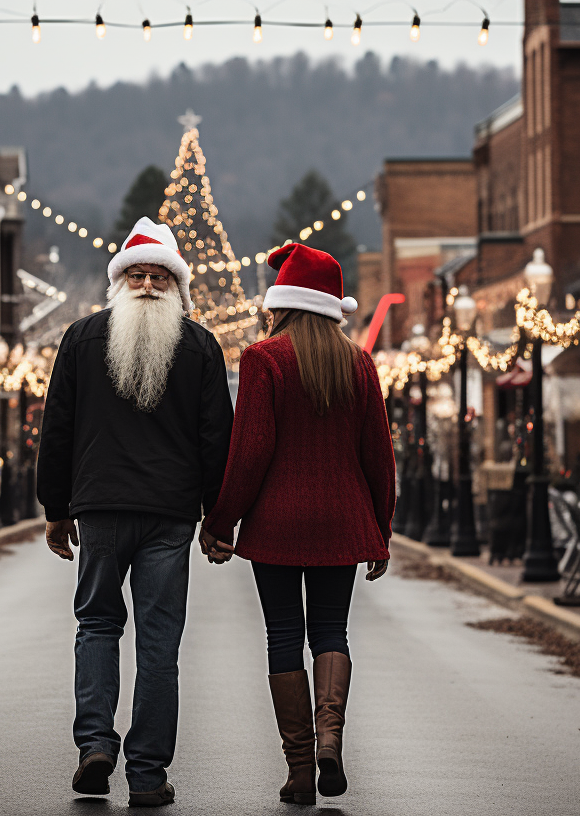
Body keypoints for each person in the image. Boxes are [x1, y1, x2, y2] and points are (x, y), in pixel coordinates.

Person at [37, 216, 233, 808]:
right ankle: (147, 774)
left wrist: (57, 508)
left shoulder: (82, 338)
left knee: (97, 625)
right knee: (158, 641)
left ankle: (96, 744)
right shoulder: (199, 346)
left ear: (173, 286)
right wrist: (217, 518)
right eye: (140, 275)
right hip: (170, 514)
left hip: (99, 507)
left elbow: (58, 430)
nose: (147, 285)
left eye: (156, 277)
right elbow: (215, 440)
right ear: (122, 282)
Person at [199, 243, 395, 806]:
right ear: (333, 305)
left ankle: (301, 768)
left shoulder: (265, 359)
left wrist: (220, 520)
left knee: (283, 636)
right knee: (331, 631)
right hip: (342, 520)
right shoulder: (358, 362)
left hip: (277, 524)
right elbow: (378, 454)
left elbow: (251, 450)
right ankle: (331, 739)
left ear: (281, 302)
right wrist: (380, 527)